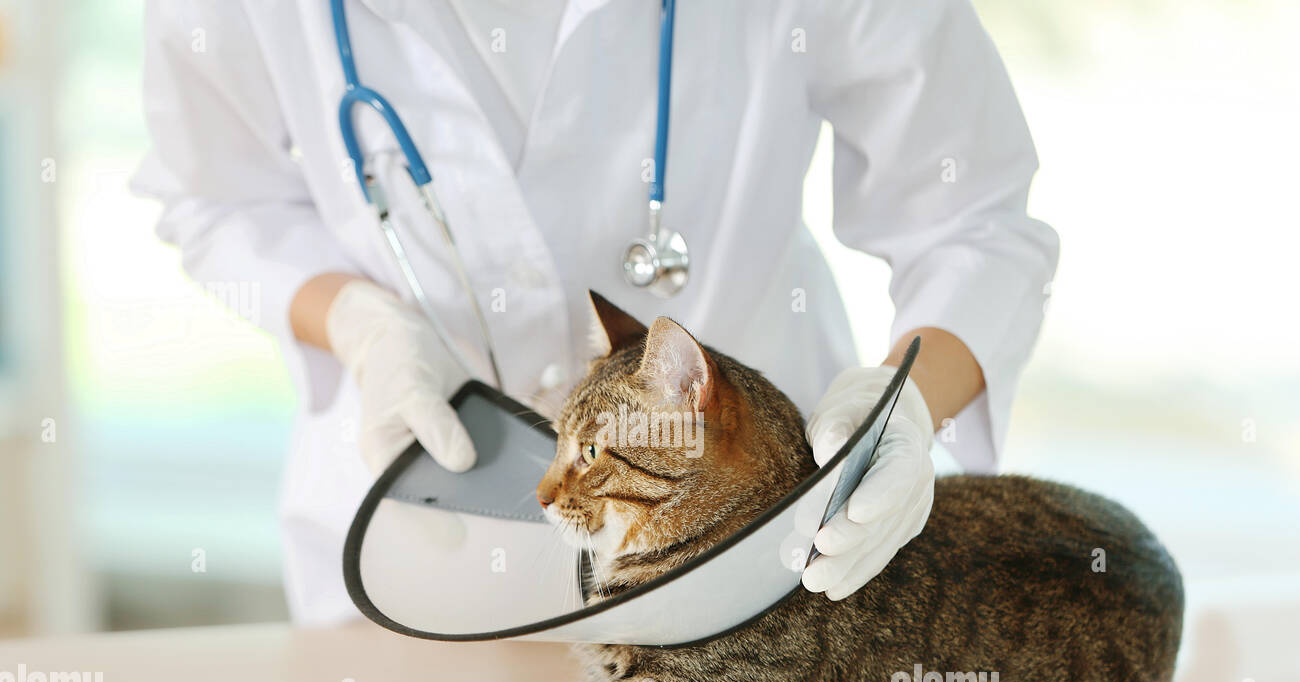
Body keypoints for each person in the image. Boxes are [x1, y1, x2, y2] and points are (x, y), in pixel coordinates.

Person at [132, 0, 1058, 625]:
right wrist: (361, 325)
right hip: (415, 550)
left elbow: (971, 217)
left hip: (757, 549)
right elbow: (219, 199)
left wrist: (901, 410)